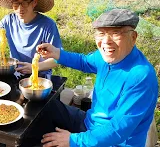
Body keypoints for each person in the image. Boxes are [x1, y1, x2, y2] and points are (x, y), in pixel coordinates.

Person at [29, 9, 158, 146]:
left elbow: (118, 130)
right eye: (101, 33)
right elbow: (84, 61)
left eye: (116, 33)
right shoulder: (106, 56)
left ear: (133, 37)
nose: (106, 41)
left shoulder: (141, 77)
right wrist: (56, 53)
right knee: (46, 104)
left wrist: (73, 140)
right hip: (90, 123)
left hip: (112, 142)